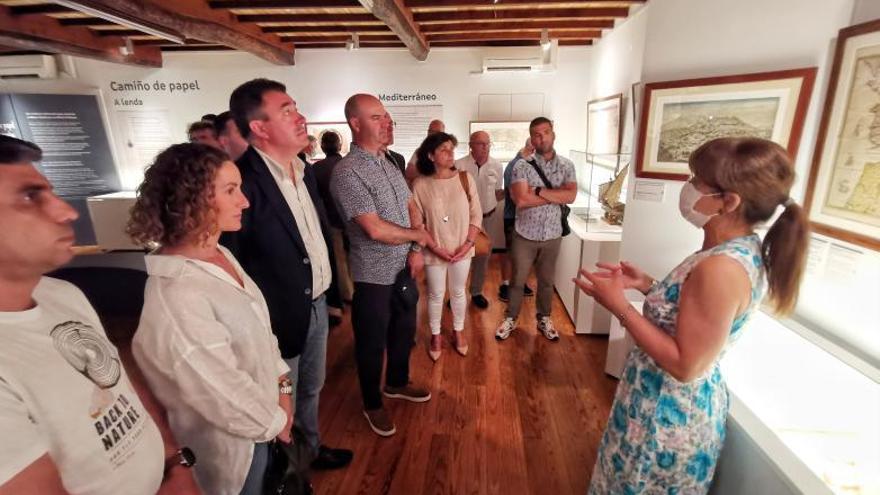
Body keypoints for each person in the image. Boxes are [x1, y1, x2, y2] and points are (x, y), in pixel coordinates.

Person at [576, 137, 809, 494]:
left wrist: (619, 307)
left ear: (728, 202)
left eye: (697, 181)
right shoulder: (730, 251)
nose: (687, 189)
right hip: (657, 403)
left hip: (666, 417)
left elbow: (687, 364)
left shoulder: (722, 267)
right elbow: (690, 310)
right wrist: (647, 284)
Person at [0, 135, 198, 495]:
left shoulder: (62, 294)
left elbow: (117, 382)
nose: (67, 211)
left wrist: (173, 461)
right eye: (30, 197)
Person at [127, 143, 291, 495]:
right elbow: (220, 391)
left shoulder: (221, 254)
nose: (244, 201)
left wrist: (282, 385)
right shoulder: (177, 294)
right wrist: (278, 421)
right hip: (237, 451)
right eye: (230, 190)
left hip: (265, 422)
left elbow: (261, 331)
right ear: (192, 199)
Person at [222, 79, 352, 471]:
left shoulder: (304, 170)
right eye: (287, 111)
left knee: (312, 387)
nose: (301, 118)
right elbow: (235, 260)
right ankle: (287, 472)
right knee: (282, 397)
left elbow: (316, 236)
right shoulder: (241, 181)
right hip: (276, 316)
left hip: (314, 305)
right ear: (259, 127)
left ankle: (309, 450)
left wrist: (329, 298)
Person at [330, 93, 433, 437]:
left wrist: (417, 245)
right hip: (373, 275)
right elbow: (373, 228)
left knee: (404, 332)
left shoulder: (388, 161)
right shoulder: (347, 171)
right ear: (355, 124)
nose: (386, 122)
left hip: (403, 267)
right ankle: (373, 402)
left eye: (386, 116)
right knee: (372, 342)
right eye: (376, 117)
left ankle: (397, 383)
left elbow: (410, 204)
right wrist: (418, 236)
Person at [495, 117, 576, 342]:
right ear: (532, 138)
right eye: (537, 135)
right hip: (525, 234)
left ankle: (544, 318)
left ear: (553, 134)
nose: (542, 138)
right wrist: (553, 196)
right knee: (517, 280)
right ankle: (511, 317)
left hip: (553, 234)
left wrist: (538, 191)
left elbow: (570, 195)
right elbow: (521, 200)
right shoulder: (522, 166)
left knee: (547, 281)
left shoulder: (567, 166)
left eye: (546, 132)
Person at [411, 132, 481, 361]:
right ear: (430, 155)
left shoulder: (464, 178)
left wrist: (468, 243)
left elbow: (476, 214)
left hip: (463, 247)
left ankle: (458, 330)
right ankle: (435, 334)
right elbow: (417, 222)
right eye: (443, 149)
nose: (451, 153)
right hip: (434, 249)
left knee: (459, 291)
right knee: (435, 293)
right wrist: (434, 248)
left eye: (452, 148)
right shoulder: (420, 184)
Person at [455, 130, 503, 309]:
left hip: (487, 218)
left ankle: (476, 292)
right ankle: (456, 294)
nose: (485, 147)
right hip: (463, 220)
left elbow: (498, 192)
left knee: (482, 257)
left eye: (488, 143)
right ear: (470, 145)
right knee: (459, 257)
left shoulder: (497, 166)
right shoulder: (459, 165)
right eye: (481, 143)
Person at [313, 130, 353, 303]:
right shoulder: (349, 165)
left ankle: (348, 293)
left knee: (339, 259)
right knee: (354, 255)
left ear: (322, 146)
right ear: (339, 145)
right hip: (353, 219)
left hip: (331, 220)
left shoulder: (317, 169)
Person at [499, 138, 536, 302]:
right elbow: (516, 196)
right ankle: (506, 284)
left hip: (528, 218)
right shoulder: (514, 166)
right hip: (513, 217)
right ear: (530, 147)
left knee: (526, 253)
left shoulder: (532, 165)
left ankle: (521, 282)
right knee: (510, 252)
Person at [404, 118, 445, 184]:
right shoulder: (420, 151)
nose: (432, 134)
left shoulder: (447, 152)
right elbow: (409, 173)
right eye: (430, 131)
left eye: (437, 132)